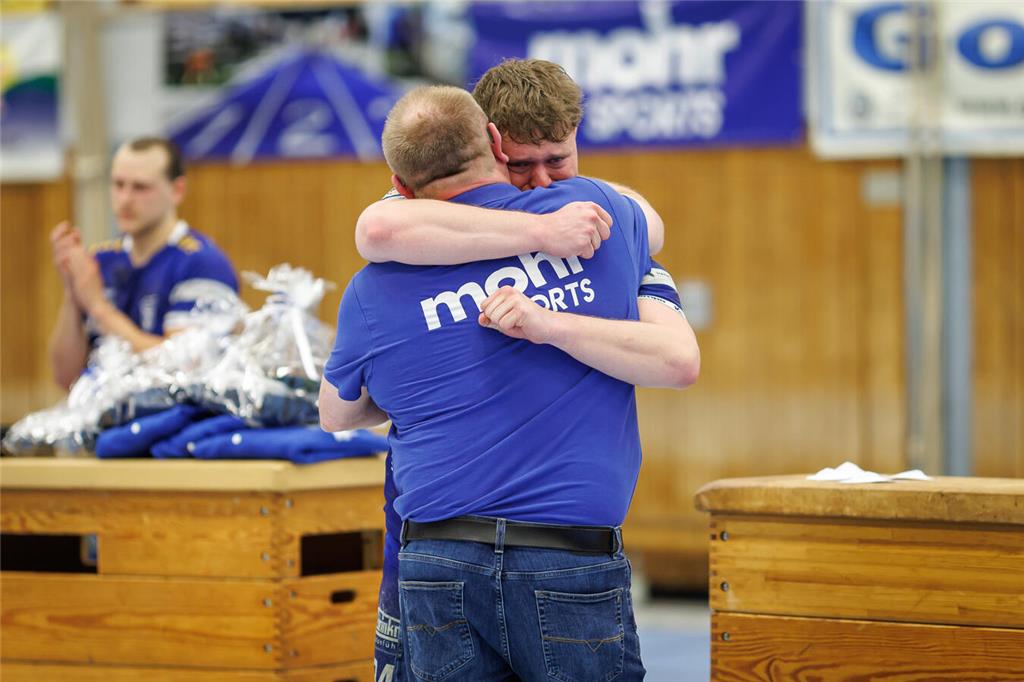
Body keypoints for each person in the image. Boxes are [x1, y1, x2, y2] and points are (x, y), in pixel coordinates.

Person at [320, 85, 698, 680]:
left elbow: (337, 415)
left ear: (398, 175)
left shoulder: (375, 284)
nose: (545, 183)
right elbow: (649, 230)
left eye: (559, 162)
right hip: (559, 557)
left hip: (440, 560)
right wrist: (545, 238)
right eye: (526, 165)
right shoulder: (595, 216)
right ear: (494, 142)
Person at [48, 137, 239, 389]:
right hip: (104, 417)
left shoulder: (202, 263)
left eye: (140, 187)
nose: (125, 199)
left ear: (177, 191)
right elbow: (65, 378)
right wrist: (73, 292)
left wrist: (98, 308)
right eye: (118, 184)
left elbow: (185, 368)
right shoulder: (100, 260)